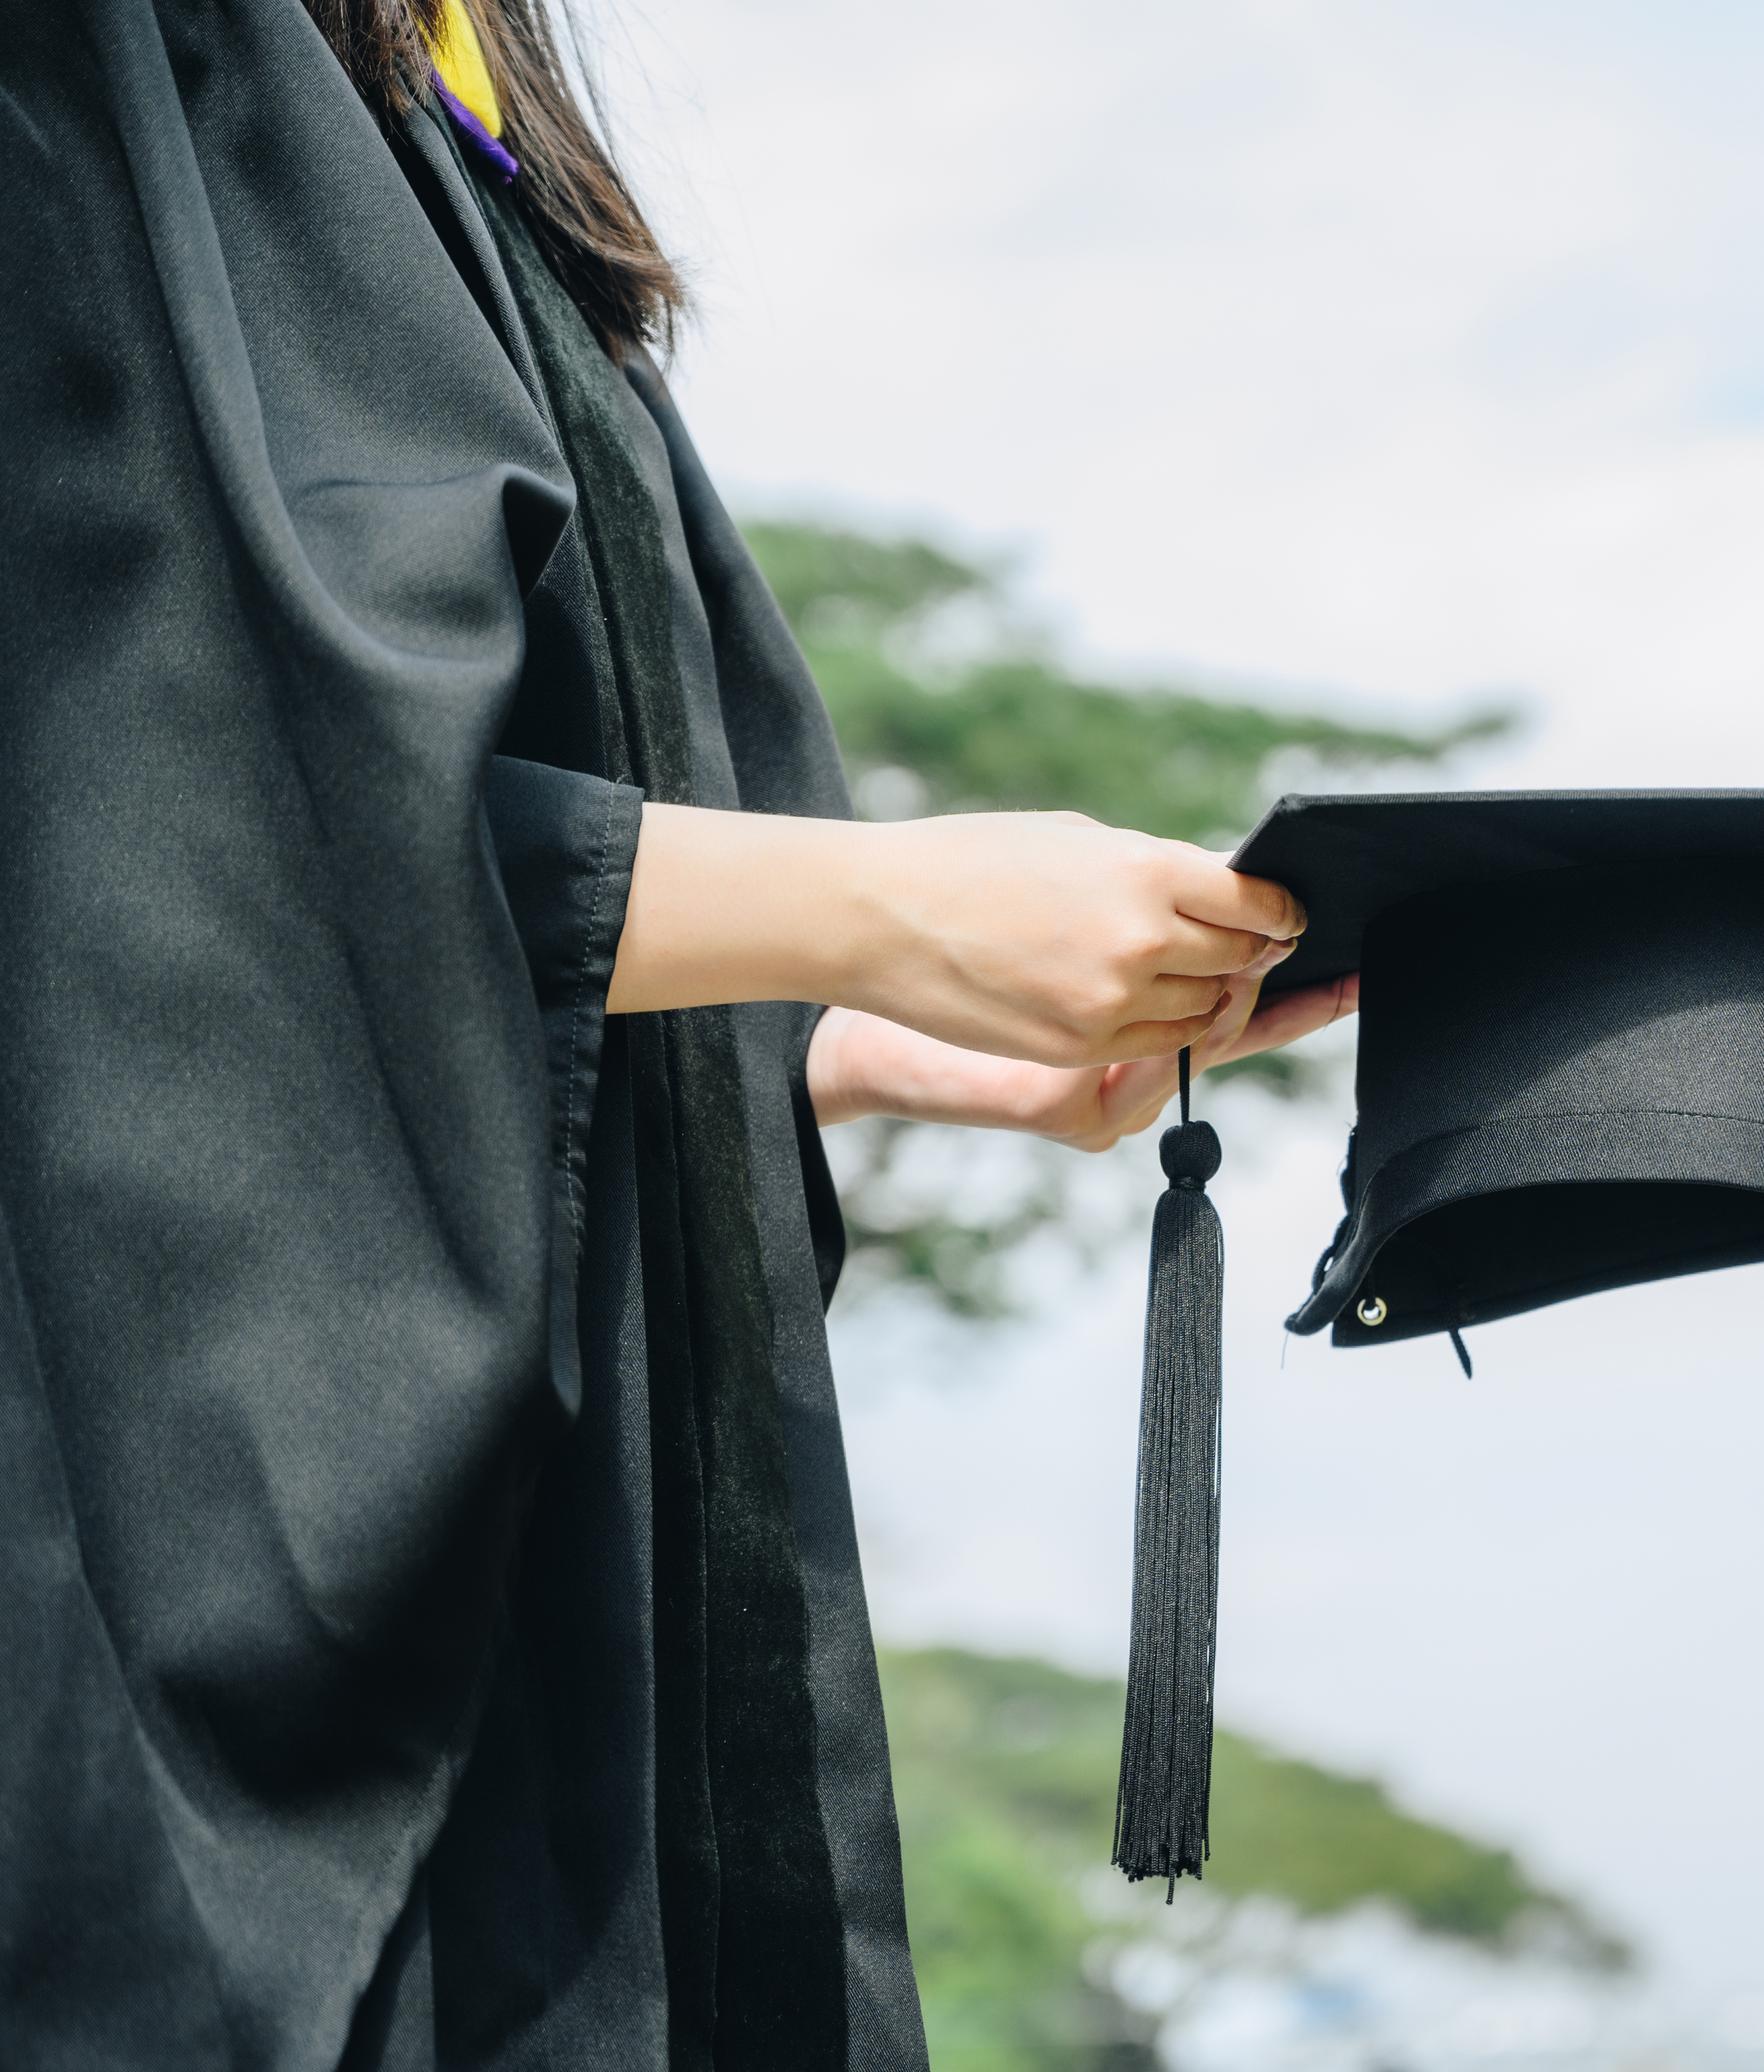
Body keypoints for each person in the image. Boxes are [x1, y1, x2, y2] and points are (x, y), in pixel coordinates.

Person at [0, 0, 1350, 2064]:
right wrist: (883, 908)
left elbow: (460, 903)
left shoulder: (460, 112)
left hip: (603, 1628)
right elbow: (148, 822)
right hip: (201, 1704)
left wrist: (829, 1040)